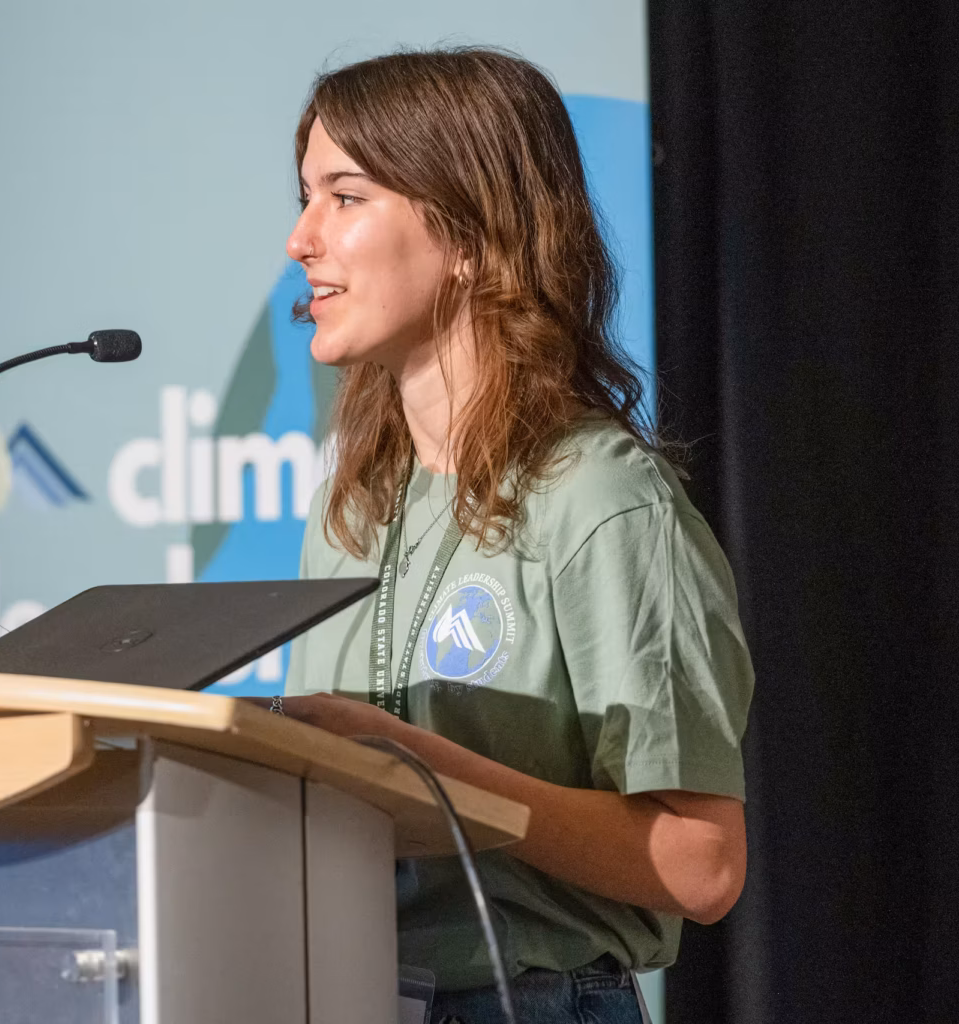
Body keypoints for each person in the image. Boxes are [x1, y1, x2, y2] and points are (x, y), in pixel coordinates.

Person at [272, 48, 754, 1024]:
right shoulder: (349, 512)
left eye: (345, 197)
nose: (300, 239)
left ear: (469, 233)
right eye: (305, 198)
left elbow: (702, 864)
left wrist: (424, 770)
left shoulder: (600, 500)